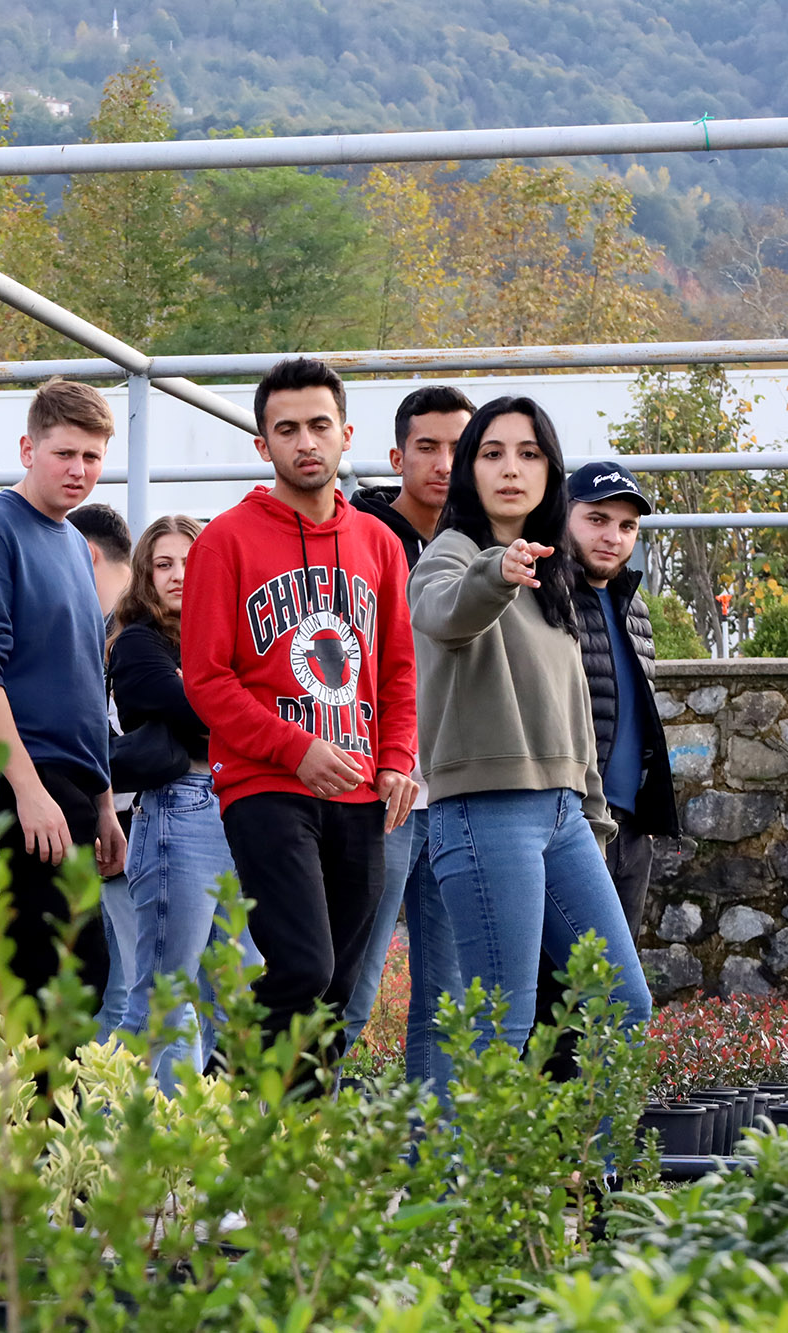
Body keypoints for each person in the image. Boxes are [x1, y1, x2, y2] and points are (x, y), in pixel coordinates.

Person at [181, 357, 418, 1087]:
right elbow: (206, 679)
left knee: (337, 991)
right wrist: (295, 747)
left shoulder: (379, 544)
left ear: (346, 434)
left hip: (359, 791)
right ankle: (214, 1103)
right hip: (264, 783)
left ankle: (291, 1154)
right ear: (263, 445)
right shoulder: (224, 541)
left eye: (320, 425)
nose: (305, 442)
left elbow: (400, 666)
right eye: (287, 430)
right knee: (304, 964)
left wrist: (398, 756)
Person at [408, 397, 652, 1060]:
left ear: (550, 470)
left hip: (565, 816)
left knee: (624, 1003)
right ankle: (468, 1168)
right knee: (500, 1026)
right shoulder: (451, 552)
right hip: (487, 813)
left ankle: (592, 1166)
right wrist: (497, 570)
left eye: (529, 453)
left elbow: (575, 721)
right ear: (469, 469)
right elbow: (443, 613)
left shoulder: (556, 578)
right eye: (492, 453)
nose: (511, 468)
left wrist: (595, 821)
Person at [0, 379, 128, 1006]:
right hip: (25, 780)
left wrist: (106, 802)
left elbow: (89, 685)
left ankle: (20, 1104)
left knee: (66, 976)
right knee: (60, 973)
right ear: (27, 447)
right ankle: (13, 1106)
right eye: (65, 453)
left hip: (74, 788)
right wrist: (28, 791)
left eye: (92, 457)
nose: (79, 470)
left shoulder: (71, 541)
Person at [344, 386, 474, 1087]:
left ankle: (438, 1172)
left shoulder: (486, 550)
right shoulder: (360, 540)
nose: (444, 463)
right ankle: (293, 1166)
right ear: (398, 455)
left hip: (455, 796)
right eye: (428, 446)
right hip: (380, 792)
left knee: (445, 1002)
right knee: (351, 991)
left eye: (460, 447)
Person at [530, 461, 677, 1061]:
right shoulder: (543, 594)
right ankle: (553, 1145)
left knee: (613, 993)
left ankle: (598, 1143)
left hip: (629, 827)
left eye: (626, 526)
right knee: (559, 995)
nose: (612, 536)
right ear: (562, 518)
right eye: (596, 519)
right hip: (569, 822)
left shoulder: (630, 603)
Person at [110, 514, 261, 1093]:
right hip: (180, 809)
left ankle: (210, 1149)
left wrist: (214, 696)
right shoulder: (138, 641)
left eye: (191, 562)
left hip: (238, 810)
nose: (178, 576)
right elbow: (210, 715)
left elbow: (250, 709)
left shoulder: (229, 634)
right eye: (164, 564)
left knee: (242, 989)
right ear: (146, 574)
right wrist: (230, 701)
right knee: (162, 994)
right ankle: (99, 1144)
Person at [68, 502, 138, 1032]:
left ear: (85, 556)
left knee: (121, 994)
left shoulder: (117, 634)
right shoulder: (140, 625)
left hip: (124, 831)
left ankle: (108, 1112)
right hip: (125, 827)